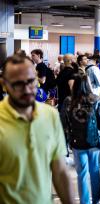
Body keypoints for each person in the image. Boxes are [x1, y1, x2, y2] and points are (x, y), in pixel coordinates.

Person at [0, 54, 73, 203]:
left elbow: (59, 170)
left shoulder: (50, 115)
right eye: (18, 84)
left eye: (31, 81)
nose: (27, 89)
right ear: (4, 84)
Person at [60, 74, 100, 204]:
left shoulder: (68, 101)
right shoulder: (96, 100)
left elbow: (63, 123)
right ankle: (96, 200)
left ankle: (84, 202)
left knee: (82, 174)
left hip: (77, 143)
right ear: (88, 84)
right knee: (95, 172)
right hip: (94, 142)